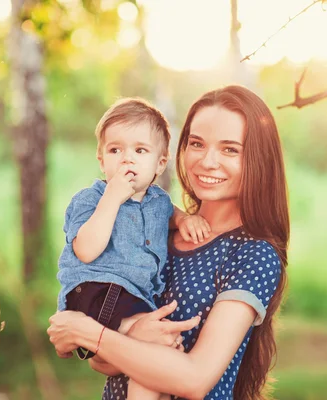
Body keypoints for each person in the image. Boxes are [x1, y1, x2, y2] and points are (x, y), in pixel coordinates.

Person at [49, 85, 290, 400]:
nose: (207, 161)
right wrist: (124, 336)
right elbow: (103, 363)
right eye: (197, 143)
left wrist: (86, 332)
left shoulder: (253, 254)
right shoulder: (153, 232)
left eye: (230, 149)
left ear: (258, 159)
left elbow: (195, 379)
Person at [56, 97, 210, 400]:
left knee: (155, 359)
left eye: (140, 151)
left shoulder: (158, 201)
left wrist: (184, 219)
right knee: (157, 343)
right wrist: (111, 199)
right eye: (116, 150)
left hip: (132, 300)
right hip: (96, 293)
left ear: (159, 163)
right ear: (101, 160)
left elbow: (167, 213)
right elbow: (85, 250)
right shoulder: (91, 199)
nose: (127, 159)